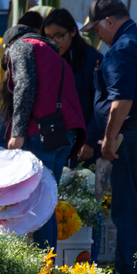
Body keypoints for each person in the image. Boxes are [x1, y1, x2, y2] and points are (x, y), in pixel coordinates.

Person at [82, 0, 137, 274]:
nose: (97, 36)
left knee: (127, 210)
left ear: (109, 21)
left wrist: (107, 139)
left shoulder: (121, 48)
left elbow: (122, 101)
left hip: (130, 136)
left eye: (97, 28)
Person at [1, 23, 86, 251]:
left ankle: (42, 273)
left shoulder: (21, 46)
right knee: (47, 204)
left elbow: (24, 86)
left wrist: (17, 131)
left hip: (40, 134)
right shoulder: (56, 56)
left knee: (39, 206)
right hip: (62, 135)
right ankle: (47, 269)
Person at [42, 9, 105, 164]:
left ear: (73, 32)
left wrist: (90, 140)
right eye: (49, 38)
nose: (54, 42)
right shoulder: (47, 62)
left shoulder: (93, 60)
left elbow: (101, 104)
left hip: (85, 145)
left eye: (59, 36)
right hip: (54, 144)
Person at [0, 11, 43, 148]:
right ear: (38, 30)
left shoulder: (0, 49)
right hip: (33, 113)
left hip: (6, 112)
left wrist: (9, 95)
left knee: (2, 156)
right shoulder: (39, 49)